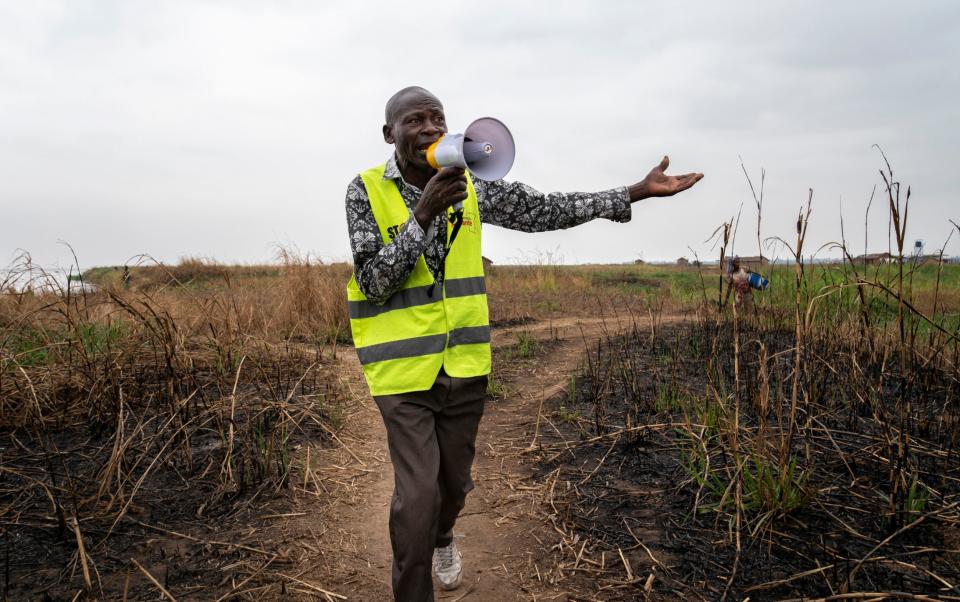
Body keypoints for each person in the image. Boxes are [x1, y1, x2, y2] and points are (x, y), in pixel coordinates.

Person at [344, 85, 703, 601]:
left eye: (437, 119)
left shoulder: (469, 183)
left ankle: (445, 534)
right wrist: (422, 213)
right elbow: (375, 280)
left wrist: (632, 193)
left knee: (453, 489)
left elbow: (546, 210)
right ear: (389, 134)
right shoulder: (364, 191)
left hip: (464, 364)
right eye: (415, 121)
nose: (429, 128)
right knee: (416, 498)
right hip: (401, 374)